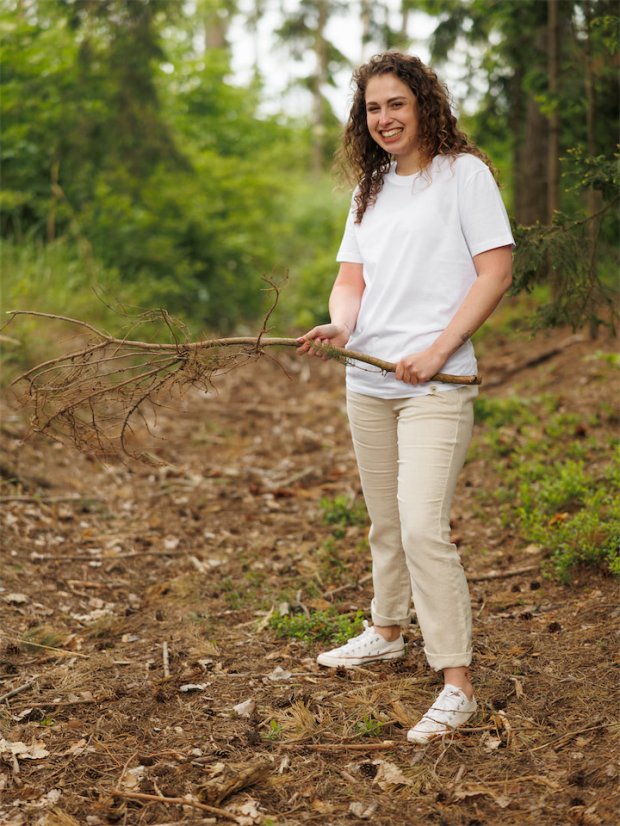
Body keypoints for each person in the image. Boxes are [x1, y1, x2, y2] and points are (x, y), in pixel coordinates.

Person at [297, 52, 514, 745]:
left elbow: (495, 271)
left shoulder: (464, 175)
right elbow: (351, 280)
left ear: (424, 104)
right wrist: (342, 325)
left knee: (423, 527)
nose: (384, 118)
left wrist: (440, 348)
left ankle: (457, 684)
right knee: (386, 521)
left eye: (396, 103)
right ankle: (387, 632)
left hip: (436, 385)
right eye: (372, 108)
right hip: (368, 381)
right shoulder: (371, 187)